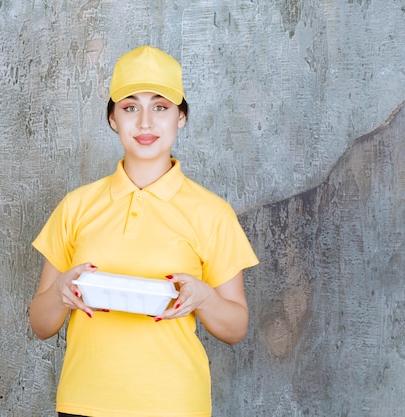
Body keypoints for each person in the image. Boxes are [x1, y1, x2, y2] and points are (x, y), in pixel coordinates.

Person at [29, 45, 259, 417]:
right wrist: (59, 294)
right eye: (131, 107)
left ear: (181, 117)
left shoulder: (212, 212)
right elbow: (41, 324)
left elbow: (235, 327)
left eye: (161, 107)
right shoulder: (77, 206)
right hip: (84, 401)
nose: (146, 123)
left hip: (174, 404)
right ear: (112, 118)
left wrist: (204, 298)